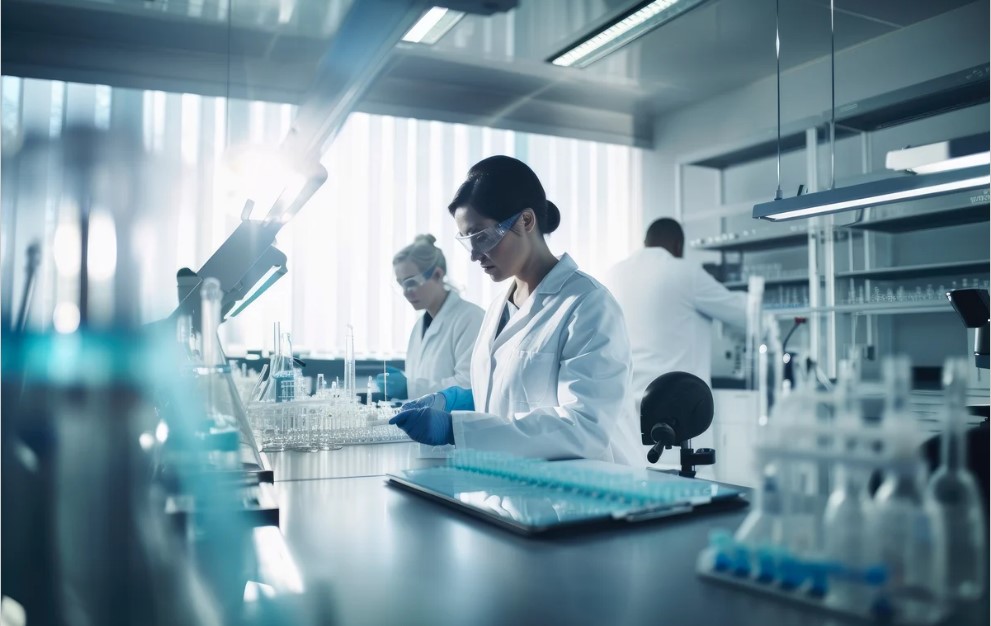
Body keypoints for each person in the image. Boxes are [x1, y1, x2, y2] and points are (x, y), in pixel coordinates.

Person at [390, 155, 641, 465]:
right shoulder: (498, 308)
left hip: (591, 492)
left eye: (482, 237)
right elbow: (508, 394)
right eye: (468, 241)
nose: (475, 256)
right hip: (519, 486)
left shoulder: (588, 305)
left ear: (526, 221)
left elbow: (585, 427)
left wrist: (455, 428)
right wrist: (461, 399)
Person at [603, 217, 747, 407]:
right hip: (677, 402)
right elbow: (743, 313)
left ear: (645, 244)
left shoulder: (614, 273)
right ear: (679, 246)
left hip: (625, 402)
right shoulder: (685, 272)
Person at [378, 234, 484, 401]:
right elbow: (431, 378)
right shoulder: (420, 326)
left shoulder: (471, 318)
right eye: (401, 284)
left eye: (411, 282)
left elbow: (469, 386)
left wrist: (410, 388)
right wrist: (407, 381)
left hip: (455, 424)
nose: (406, 292)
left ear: (437, 274)